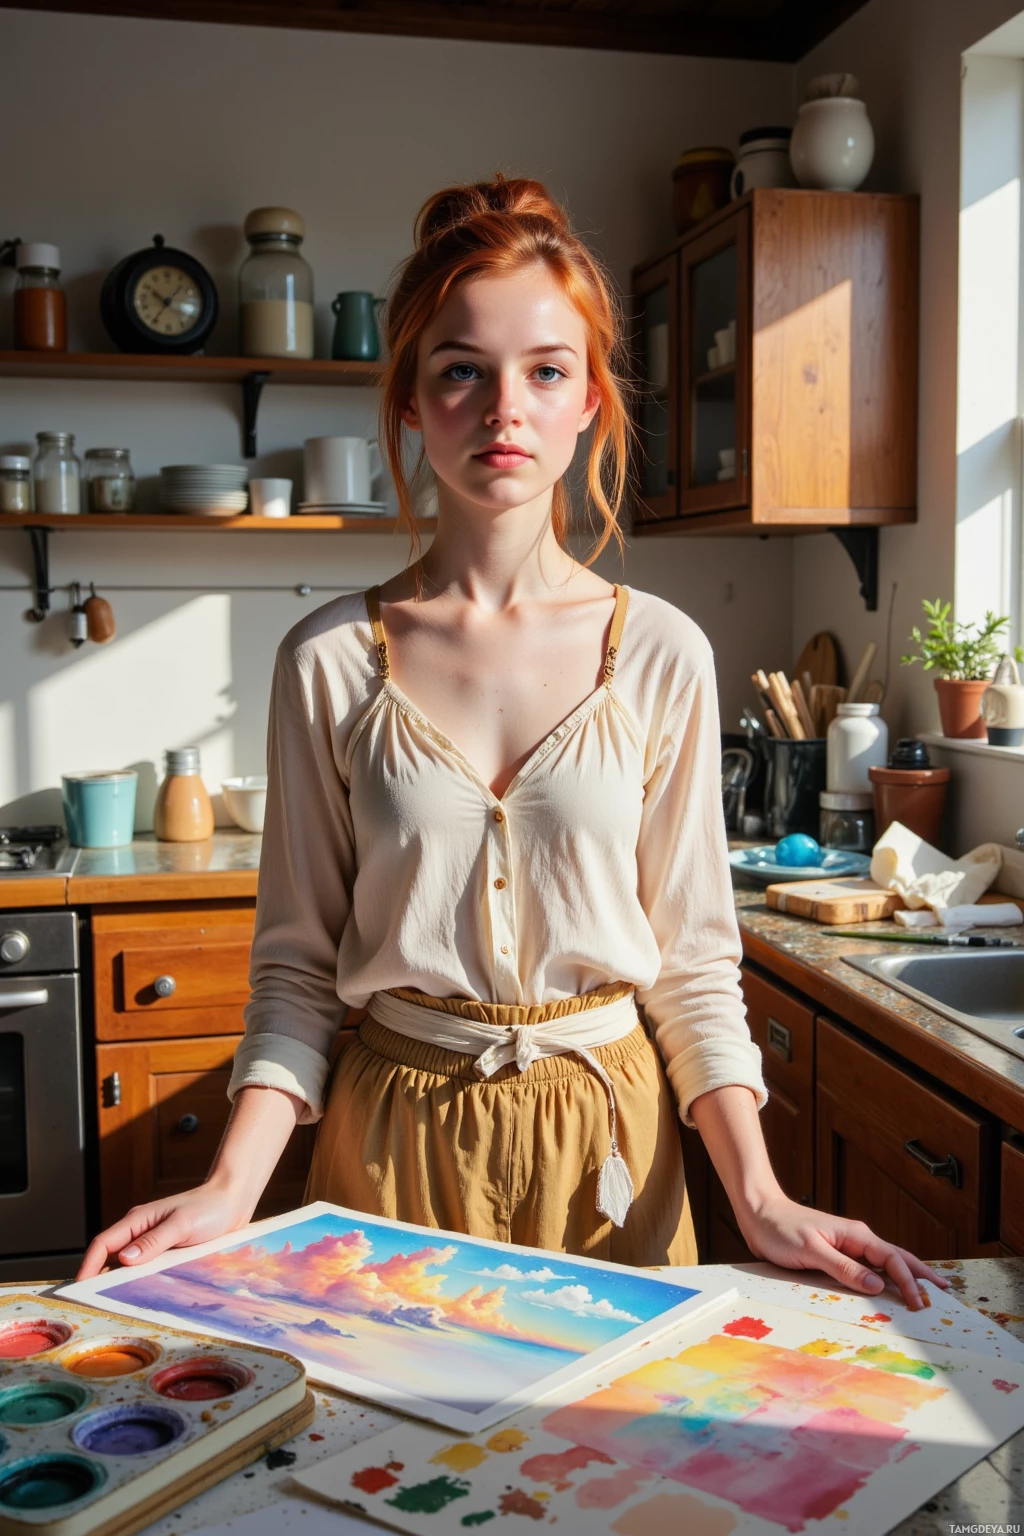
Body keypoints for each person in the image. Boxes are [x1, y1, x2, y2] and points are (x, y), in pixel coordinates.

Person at [79, 175, 946, 1310]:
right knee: (388, 1474)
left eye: (544, 370)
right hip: (390, 1147)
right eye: (461, 371)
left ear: (588, 399)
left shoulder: (660, 653)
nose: (504, 409)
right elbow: (295, 973)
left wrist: (762, 1197)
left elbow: (691, 969)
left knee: (618, 1469)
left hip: (613, 1154)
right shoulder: (329, 660)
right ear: (409, 399)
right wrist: (230, 1187)